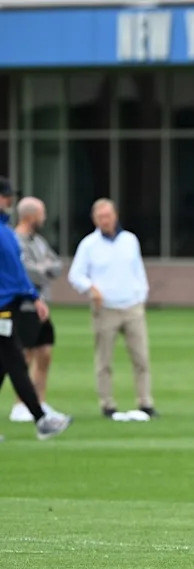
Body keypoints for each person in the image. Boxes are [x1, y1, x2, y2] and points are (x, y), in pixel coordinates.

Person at [68, 198, 155, 418]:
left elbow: (138, 270)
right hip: (105, 308)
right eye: (100, 217)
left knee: (141, 358)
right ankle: (107, 403)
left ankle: (145, 401)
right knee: (104, 360)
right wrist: (91, 288)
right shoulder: (89, 245)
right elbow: (75, 275)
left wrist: (141, 294)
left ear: (115, 216)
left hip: (132, 307)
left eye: (107, 216)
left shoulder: (129, 240)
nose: (104, 221)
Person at [0, 178, 71, 440]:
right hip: (3, 307)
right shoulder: (4, 234)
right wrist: (32, 294)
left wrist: (32, 296)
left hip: (10, 304)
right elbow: (15, 273)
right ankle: (41, 419)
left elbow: (16, 272)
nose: (10, 202)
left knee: (4, 362)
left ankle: (41, 418)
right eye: (6, 197)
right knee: (15, 361)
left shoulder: (5, 231)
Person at [9, 197, 66, 422]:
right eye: (42, 214)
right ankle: (20, 404)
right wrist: (43, 269)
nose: (45, 218)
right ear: (31, 216)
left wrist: (43, 268)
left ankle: (40, 401)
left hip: (42, 304)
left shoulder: (39, 241)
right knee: (25, 354)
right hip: (23, 305)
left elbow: (56, 265)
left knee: (45, 353)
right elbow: (26, 272)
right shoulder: (14, 240)